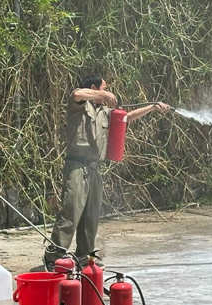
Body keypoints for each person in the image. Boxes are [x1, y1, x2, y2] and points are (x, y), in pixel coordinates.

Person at [43, 74, 170, 269]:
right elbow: (77, 93)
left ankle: (84, 257)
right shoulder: (79, 105)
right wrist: (102, 93)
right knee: (71, 211)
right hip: (76, 166)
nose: (107, 90)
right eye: (103, 87)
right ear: (94, 87)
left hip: (94, 168)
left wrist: (152, 107)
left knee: (91, 216)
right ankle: (54, 257)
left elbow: (127, 117)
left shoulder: (104, 112)